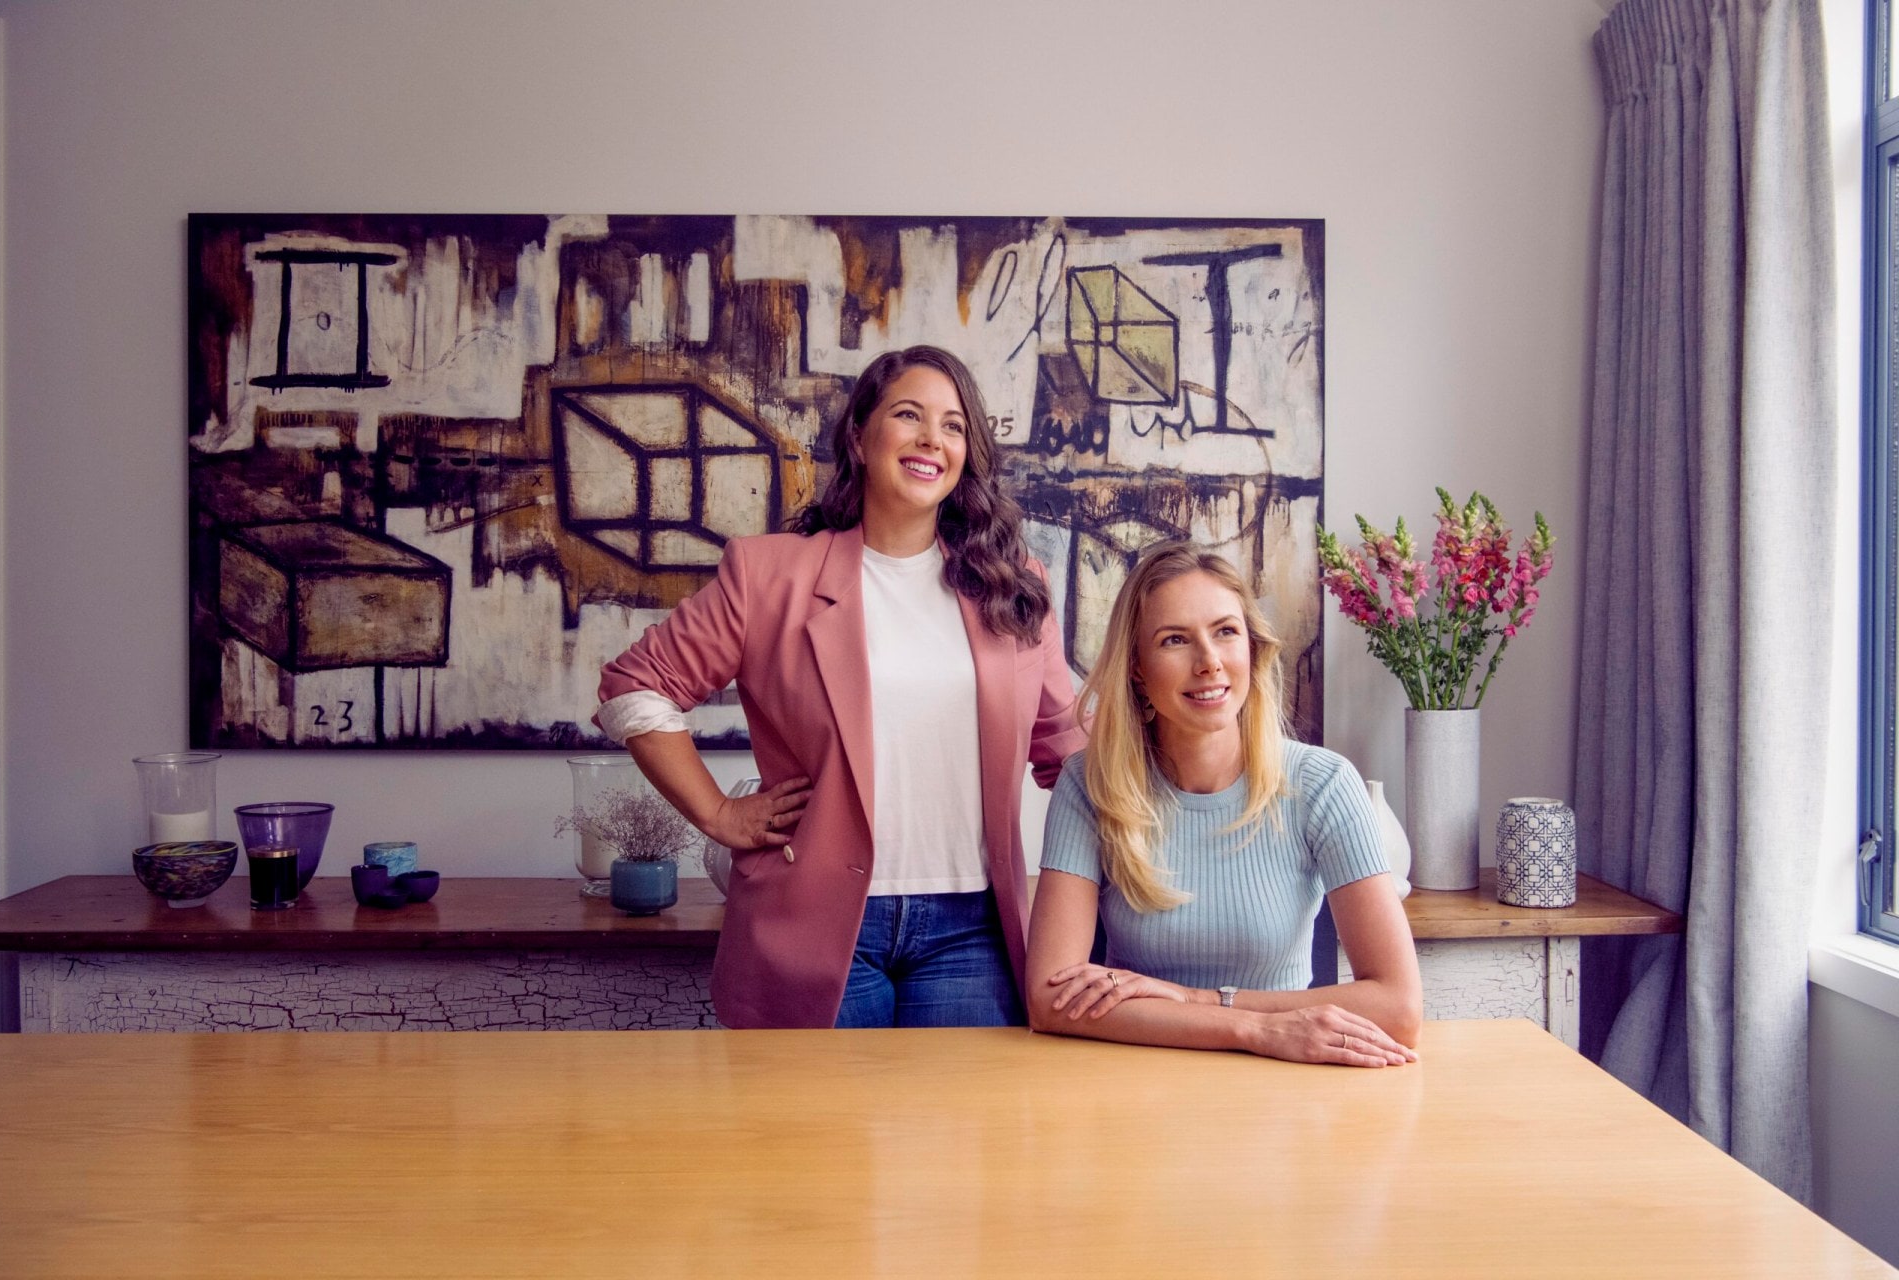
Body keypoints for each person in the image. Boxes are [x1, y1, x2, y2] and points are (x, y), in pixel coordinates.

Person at [595, 346, 1085, 1030]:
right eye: (908, 416)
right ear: (859, 435)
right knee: (822, 1136)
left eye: (952, 425)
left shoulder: (1012, 584)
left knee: (963, 1136)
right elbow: (634, 687)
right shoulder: (769, 576)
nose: (930, 440)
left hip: (970, 929)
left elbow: (1068, 753)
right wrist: (716, 814)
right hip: (812, 922)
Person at [1026, 541, 1422, 1065]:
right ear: (1137, 669)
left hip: (1281, 1084)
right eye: (1174, 640)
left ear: (1252, 648)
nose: (1209, 662)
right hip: (1133, 1079)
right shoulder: (1090, 783)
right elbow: (1051, 1000)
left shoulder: (1324, 784)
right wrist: (1257, 1030)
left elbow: (1398, 1007)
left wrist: (1198, 1001)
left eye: (1226, 632)